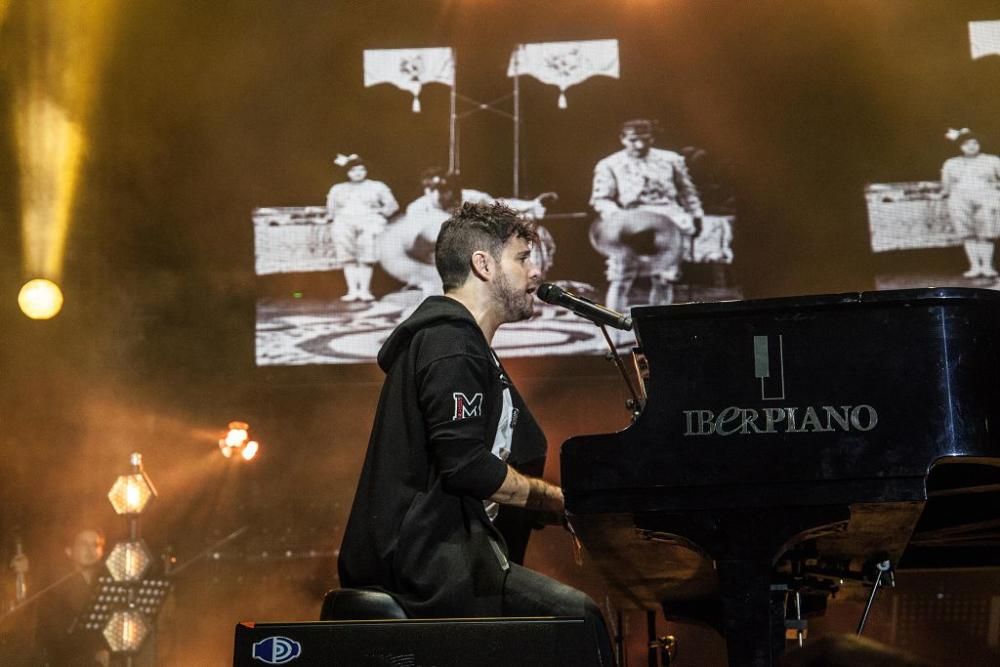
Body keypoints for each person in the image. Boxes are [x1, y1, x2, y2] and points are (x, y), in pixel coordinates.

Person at [339, 201, 613, 666]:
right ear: (483, 265)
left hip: (454, 557)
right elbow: (465, 464)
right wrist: (554, 499)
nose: (535, 271)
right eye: (523, 257)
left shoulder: (465, 347)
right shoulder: (451, 345)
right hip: (428, 565)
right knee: (577, 618)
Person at [589, 119, 704, 311]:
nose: (640, 145)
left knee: (664, 279)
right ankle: (613, 334)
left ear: (652, 138)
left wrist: (696, 214)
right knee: (621, 278)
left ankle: (656, 330)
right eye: (633, 140)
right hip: (632, 225)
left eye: (645, 139)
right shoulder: (609, 164)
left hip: (668, 223)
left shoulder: (671, 160)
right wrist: (620, 219)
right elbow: (601, 198)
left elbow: (686, 191)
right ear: (623, 139)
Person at [326, 154, 399, 301]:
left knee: (367, 255)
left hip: (370, 222)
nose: (357, 173)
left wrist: (380, 213)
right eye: (353, 170)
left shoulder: (377, 186)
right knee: (348, 256)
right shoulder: (338, 189)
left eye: (361, 169)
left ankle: (365, 290)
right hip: (344, 222)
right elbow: (331, 209)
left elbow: (392, 205)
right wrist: (335, 217)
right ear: (347, 172)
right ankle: (352, 291)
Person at [34, 529, 109, 667]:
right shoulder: (55, 588)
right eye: (83, 544)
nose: (90, 549)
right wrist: (94, 652)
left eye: (96, 545)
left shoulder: (109, 584)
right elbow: (54, 639)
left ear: (102, 552)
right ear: (69, 551)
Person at [940, 129, 1000, 278]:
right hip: (960, 199)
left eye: (975, 143)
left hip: (987, 197)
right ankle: (974, 267)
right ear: (960, 146)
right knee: (967, 233)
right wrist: (943, 194)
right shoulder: (951, 163)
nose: (971, 146)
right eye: (966, 144)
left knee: (986, 233)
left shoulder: (992, 160)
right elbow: (946, 186)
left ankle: (987, 267)